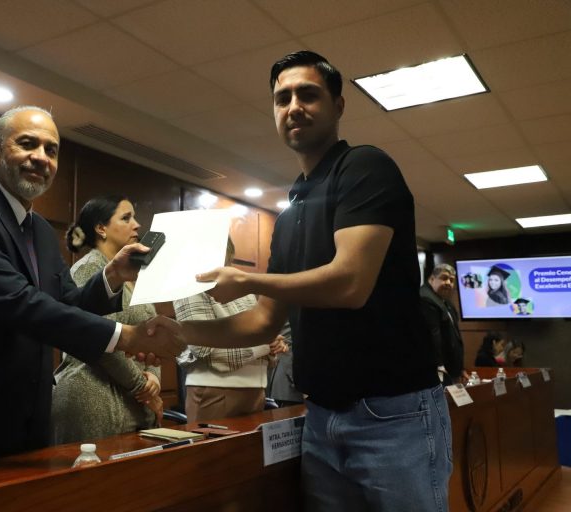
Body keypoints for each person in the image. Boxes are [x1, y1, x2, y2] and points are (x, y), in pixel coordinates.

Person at [155, 51, 450, 511]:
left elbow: (350, 284)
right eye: (282, 98)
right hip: (321, 416)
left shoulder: (365, 167)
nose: (293, 107)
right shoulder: (291, 213)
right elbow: (262, 323)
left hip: (393, 413)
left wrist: (250, 280)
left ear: (338, 105)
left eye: (308, 95)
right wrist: (179, 333)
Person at [0, 106, 183, 471]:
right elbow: (19, 304)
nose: (41, 157)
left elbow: (68, 302)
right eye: (27, 144)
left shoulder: (39, 229)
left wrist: (114, 275)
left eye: (51, 150)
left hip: (26, 417)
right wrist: (127, 337)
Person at [52, 195, 162, 443]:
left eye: (134, 217)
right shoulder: (87, 268)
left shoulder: (136, 275)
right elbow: (97, 338)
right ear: (101, 228)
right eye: (126, 218)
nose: (137, 225)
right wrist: (142, 387)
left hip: (135, 401)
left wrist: (154, 377)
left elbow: (152, 332)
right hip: (92, 397)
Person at [173, 238, 289, 423]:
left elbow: (256, 335)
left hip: (256, 388)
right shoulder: (191, 283)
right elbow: (204, 348)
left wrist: (272, 345)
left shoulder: (238, 282)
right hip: (215, 389)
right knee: (214, 444)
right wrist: (264, 345)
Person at [420, 263, 467, 385]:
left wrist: (460, 369)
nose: (448, 283)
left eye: (451, 280)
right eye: (444, 278)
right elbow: (432, 336)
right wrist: (439, 365)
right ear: (432, 279)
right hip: (439, 372)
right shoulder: (426, 299)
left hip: (450, 371)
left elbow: (454, 337)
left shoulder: (446, 303)